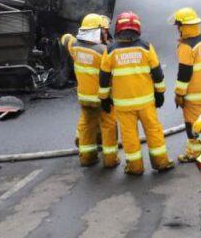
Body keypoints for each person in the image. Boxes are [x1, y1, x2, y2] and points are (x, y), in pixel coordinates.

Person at [99, 11, 174, 175]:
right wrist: (160, 93)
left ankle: (135, 167)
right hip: (146, 102)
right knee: (154, 131)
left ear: (118, 29)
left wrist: (104, 99)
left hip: (123, 105)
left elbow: (104, 77)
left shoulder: (110, 51)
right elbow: (158, 73)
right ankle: (161, 163)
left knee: (129, 136)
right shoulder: (146, 47)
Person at [61, 13, 119, 168]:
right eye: (104, 30)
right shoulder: (103, 51)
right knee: (109, 126)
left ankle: (87, 157)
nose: (106, 33)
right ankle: (110, 159)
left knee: (87, 126)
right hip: (103, 97)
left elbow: (65, 38)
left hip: (84, 98)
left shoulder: (74, 46)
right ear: (97, 31)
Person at [171, 7, 201, 163]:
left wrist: (179, 94)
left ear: (184, 26)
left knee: (192, 125)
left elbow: (184, 73)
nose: (177, 28)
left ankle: (194, 153)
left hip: (193, 94)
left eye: (178, 25)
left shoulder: (186, 47)